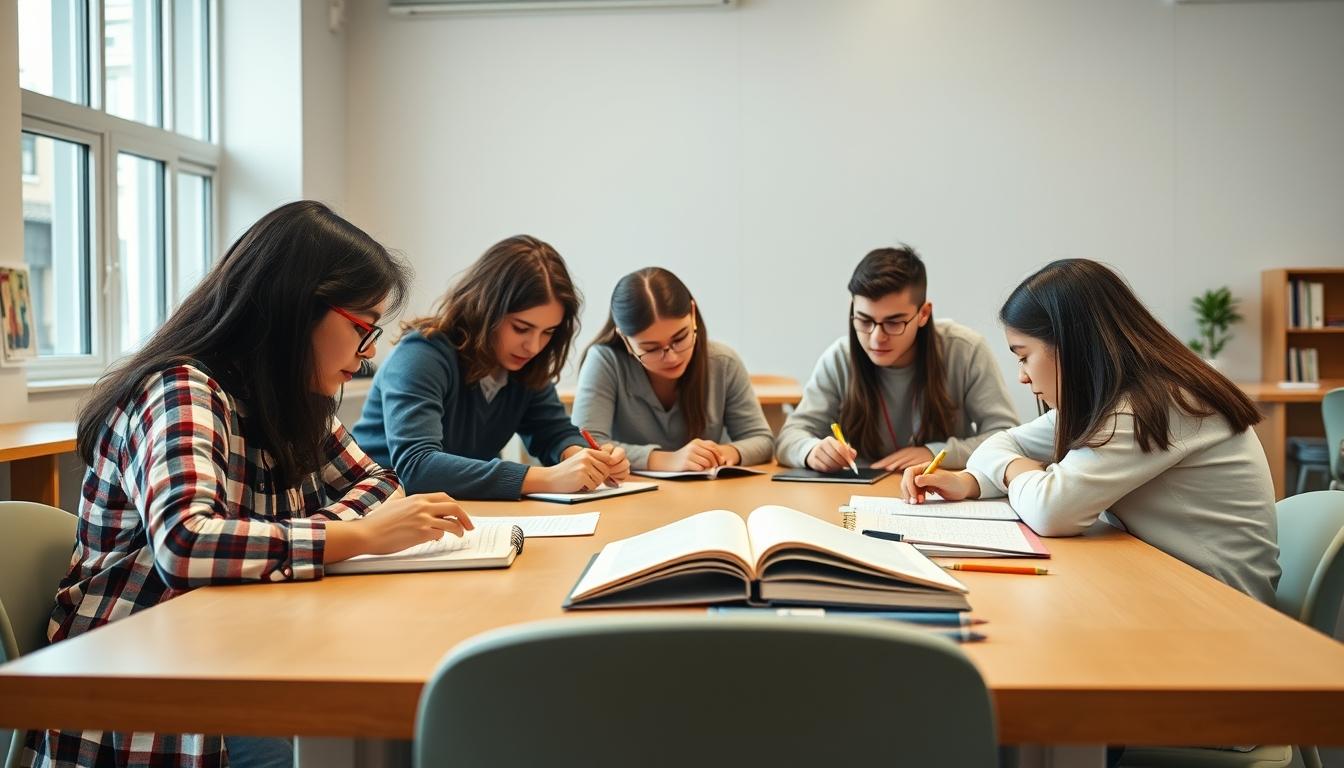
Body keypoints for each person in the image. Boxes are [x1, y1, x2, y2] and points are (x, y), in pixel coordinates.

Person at [25, 201, 472, 768]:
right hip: (143, 686)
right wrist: (353, 537)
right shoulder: (181, 390)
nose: (369, 354)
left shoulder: (286, 394)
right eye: (363, 328)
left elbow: (379, 484)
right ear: (295, 308)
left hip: (232, 650)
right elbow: (185, 544)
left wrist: (319, 534)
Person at [902, 258, 1279, 605]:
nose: (1022, 376)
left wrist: (1015, 470)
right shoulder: (1113, 397)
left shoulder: (1155, 405)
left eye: (1024, 356)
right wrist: (969, 482)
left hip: (1223, 605)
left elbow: (1052, 511)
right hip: (1169, 582)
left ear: (1070, 346)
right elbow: (1001, 442)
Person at [352, 235, 629, 499]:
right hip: (374, 507)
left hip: (456, 510)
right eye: (521, 328)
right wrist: (549, 478)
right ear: (485, 309)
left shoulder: (524, 366)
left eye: (548, 332)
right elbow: (417, 468)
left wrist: (583, 458)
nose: (533, 347)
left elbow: (553, 432)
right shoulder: (421, 354)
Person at [775, 246, 1018, 472]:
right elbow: (790, 436)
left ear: (923, 314)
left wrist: (935, 453)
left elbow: (1006, 436)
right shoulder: (839, 358)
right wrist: (811, 450)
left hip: (938, 491)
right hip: (857, 493)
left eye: (893, 323)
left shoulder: (965, 350)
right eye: (864, 320)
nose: (876, 338)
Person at [572, 267, 774, 471]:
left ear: (692, 314)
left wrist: (725, 453)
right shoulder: (605, 362)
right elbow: (585, 447)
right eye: (651, 348)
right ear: (624, 338)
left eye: (680, 338)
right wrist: (665, 460)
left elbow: (761, 439)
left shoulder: (723, 362)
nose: (671, 357)